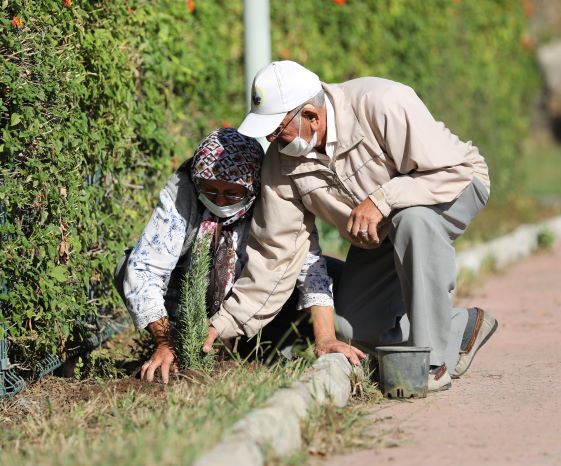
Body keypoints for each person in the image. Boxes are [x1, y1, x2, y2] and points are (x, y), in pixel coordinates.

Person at [204, 61, 498, 391]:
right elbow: (275, 254)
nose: (271, 137)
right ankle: (463, 325)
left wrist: (383, 199)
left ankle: (431, 362)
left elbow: (451, 170)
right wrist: (222, 324)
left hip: (453, 188)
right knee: (349, 326)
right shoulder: (281, 163)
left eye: (277, 127)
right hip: (382, 232)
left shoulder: (382, 102)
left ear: (312, 116)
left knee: (412, 218)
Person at [114, 127, 347, 383]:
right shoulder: (184, 193)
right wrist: (166, 340)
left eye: (232, 193)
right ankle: (184, 348)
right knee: (126, 266)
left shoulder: (278, 200)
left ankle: (269, 350)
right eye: (210, 190)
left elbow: (309, 267)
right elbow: (145, 266)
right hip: (186, 310)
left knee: (336, 275)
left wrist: (326, 337)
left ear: (253, 186)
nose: (220, 201)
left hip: (256, 312)